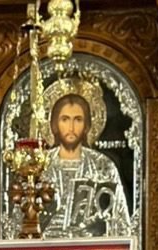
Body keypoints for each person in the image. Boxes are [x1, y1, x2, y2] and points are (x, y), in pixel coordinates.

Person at [21, 92, 131, 240]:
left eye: (78, 120)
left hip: (90, 247)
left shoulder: (102, 165)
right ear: (55, 124)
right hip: (45, 247)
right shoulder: (39, 165)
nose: (71, 127)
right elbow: (21, 221)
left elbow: (120, 223)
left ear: (86, 125)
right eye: (65, 119)